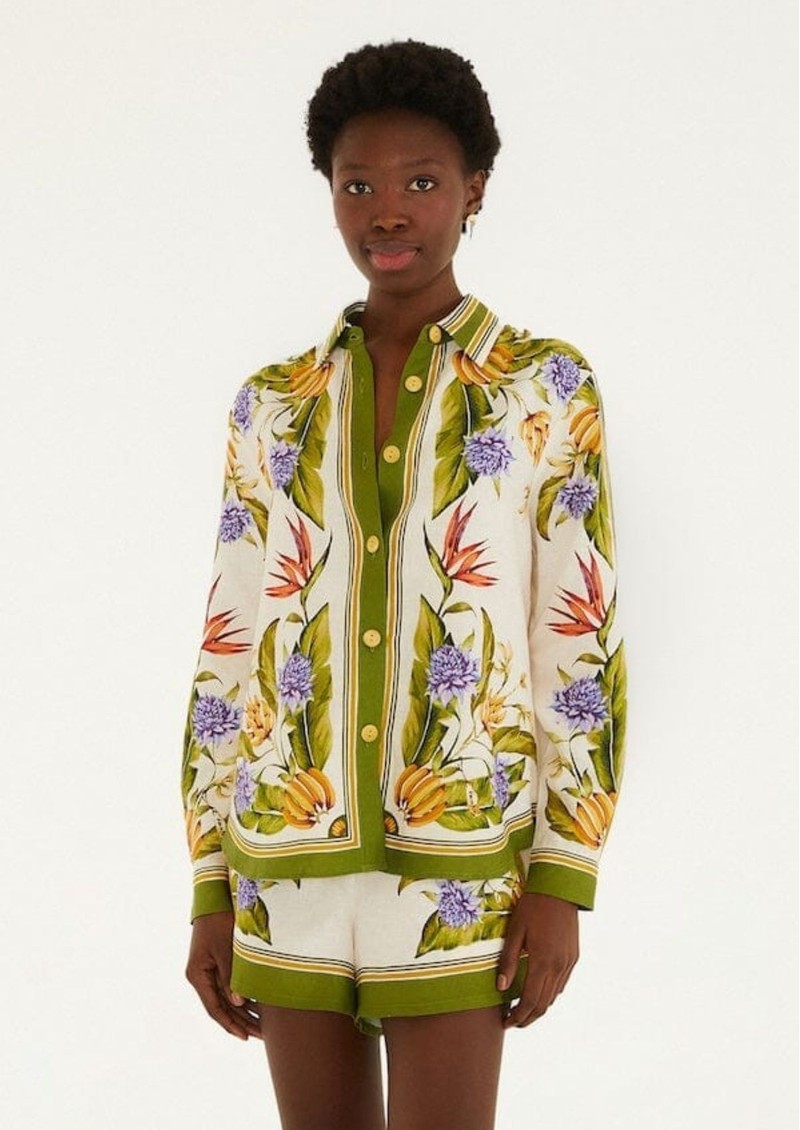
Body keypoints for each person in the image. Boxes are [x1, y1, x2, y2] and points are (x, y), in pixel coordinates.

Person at [182, 39, 627, 1130]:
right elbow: (228, 644)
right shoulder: (272, 405)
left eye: (421, 182)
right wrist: (209, 881)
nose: (387, 212)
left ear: (475, 188)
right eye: (357, 185)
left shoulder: (543, 388)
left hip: (463, 862)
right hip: (283, 861)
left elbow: (579, 639)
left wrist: (562, 872)